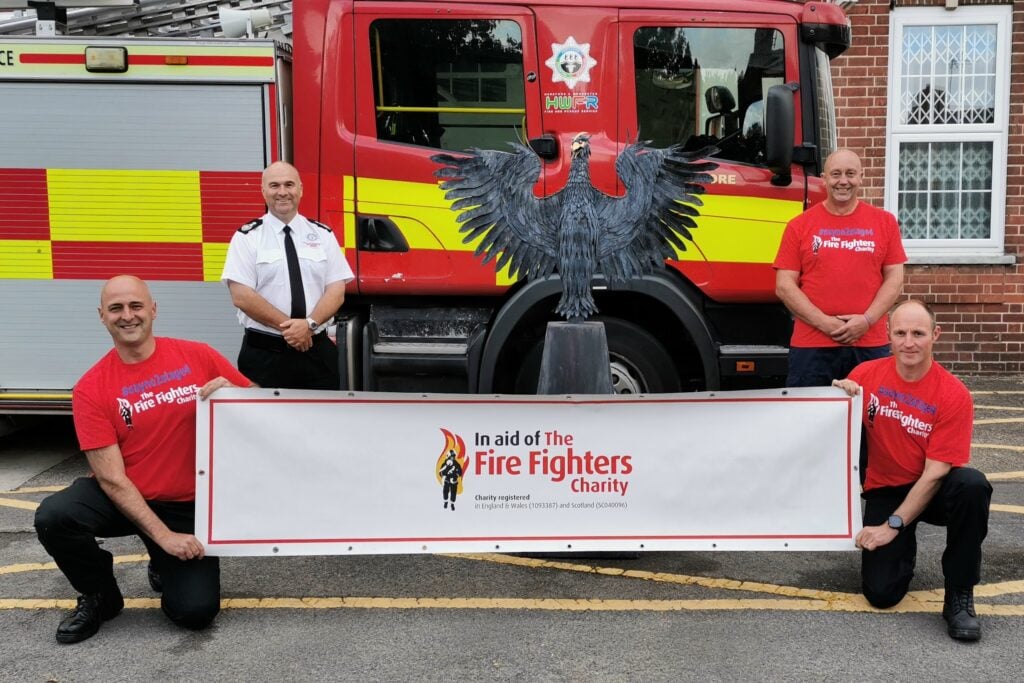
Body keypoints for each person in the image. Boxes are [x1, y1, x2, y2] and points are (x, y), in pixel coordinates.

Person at [34, 275, 253, 644]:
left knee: (195, 613)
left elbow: (265, 406)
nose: (127, 315)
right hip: (123, 497)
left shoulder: (198, 355)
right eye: (116, 308)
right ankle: (99, 596)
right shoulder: (91, 388)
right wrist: (165, 538)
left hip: (185, 504)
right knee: (55, 516)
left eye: (136, 306)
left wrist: (236, 396)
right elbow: (111, 478)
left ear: (153, 309)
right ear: (101, 316)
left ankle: (161, 562)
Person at [833, 300, 992, 641]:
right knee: (881, 594)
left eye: (918, 333)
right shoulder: (864, 376)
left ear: (935, 335)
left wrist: (892, 526)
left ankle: (960, 593)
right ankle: (902, 555)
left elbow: (936, 473)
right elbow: (831, 429)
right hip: (887, 488)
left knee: (972, 485)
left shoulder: (954, 394)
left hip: (933, 489)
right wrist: (836, 397)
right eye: (900, 333)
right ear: (888, 335)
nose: (909, 343)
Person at [774, 148, 907, 386]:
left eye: (850, 174)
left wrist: (866, 320)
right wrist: (825, 323)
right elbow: (784, 286)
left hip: (869, 343)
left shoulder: (885, 223)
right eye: (836, 174)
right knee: (811, 409)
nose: (843, 181)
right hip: (812, 345)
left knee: (871, 410)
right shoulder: (799, 225)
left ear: (861, 177)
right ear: (824, 179)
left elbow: (895, 279)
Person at [221, 161, 354, 389]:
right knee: (262, 413)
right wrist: (293, 330)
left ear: (300, 189)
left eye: (289, 185)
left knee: (322, 412)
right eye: (274, 185)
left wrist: (309, 325)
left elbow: (336, 289)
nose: (282, 192)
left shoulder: (323, 235)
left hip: (316, 351)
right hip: (265, 354)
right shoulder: (247, 237)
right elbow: (241, 296)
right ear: (263, 191)